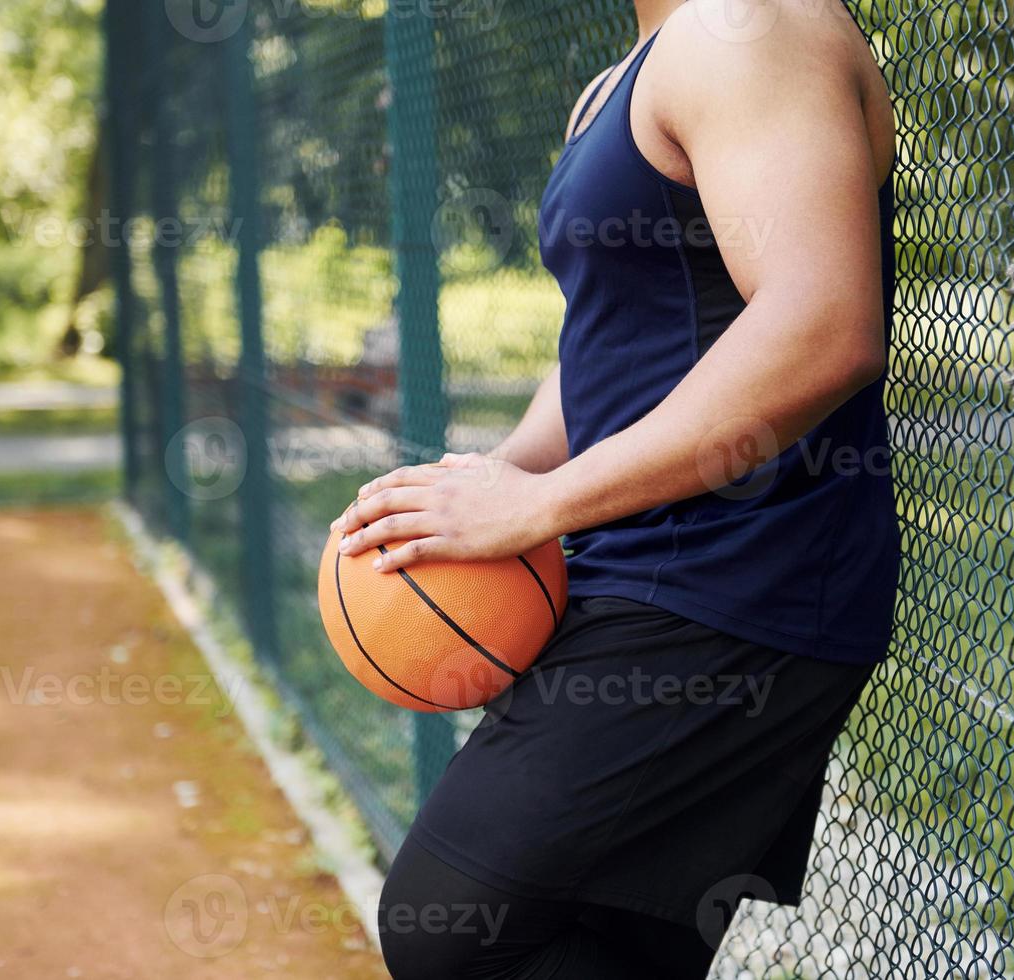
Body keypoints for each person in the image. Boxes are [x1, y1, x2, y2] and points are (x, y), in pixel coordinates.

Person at [332, 0, 899, 975]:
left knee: (455, 921)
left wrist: (542, 505)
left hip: (733, 580)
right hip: (638, 565)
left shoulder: (751, 29)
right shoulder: (624, 79)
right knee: (604, 940)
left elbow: (822, 323)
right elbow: (611, 342)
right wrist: (501, 474)